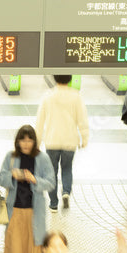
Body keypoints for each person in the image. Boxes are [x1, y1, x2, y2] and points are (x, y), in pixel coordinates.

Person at [0, 126, 56, 253]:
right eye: (22, 140)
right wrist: (12, 175)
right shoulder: (11, 157)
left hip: (34, 213)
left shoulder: (42, 158)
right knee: (17, 252)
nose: (25, 144)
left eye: (29, 140)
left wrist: (34, 179)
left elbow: (51, 183)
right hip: (15, 211)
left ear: (34, 142)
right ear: (17, 141)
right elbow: (0, 177)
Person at [36, 75, 89, 211]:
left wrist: (37, 141)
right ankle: (66, 192)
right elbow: (82, 120)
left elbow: (40, 121)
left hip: (52, 140)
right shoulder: (76, 96)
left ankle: (53, 203)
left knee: (52, 172)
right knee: (67, 168)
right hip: (70, 141)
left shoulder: (48, 96)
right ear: (70, 79)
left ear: (54, 78)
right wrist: (84, 138)